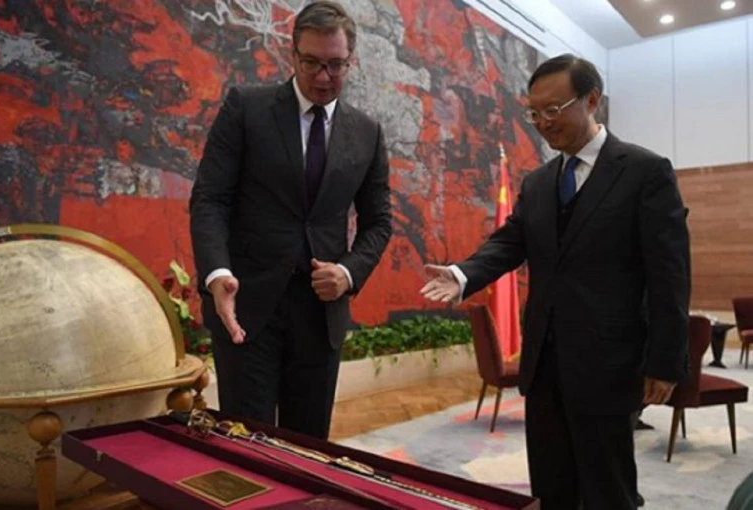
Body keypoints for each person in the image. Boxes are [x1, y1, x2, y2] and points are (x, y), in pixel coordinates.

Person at [420, 54, 690, 509]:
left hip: (609, 364)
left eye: (553, 109)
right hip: (545, 364)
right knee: (551, 487)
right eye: (534, 113)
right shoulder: (539, 182)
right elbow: (511, 242)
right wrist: (464, 273)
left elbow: (670, 274)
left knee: (608, 491)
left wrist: (665, 362)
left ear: (592, 100)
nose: (543, 123)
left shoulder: (645, 171)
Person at [190, 1, 391, 440]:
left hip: (320, 315)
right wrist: (217, 272)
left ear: (351, 60)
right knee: (247, 445)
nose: (323, 76)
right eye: (311, 62)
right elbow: (210, 198)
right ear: (292, 54)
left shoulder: (367, 133)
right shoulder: (246, 108)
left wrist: (348, 272)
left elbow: (379, 221)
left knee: (308, 449)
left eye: (335, 65)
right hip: (247, 307)